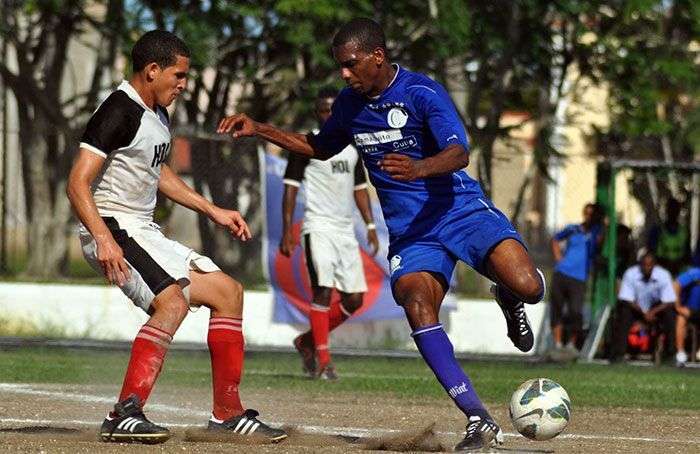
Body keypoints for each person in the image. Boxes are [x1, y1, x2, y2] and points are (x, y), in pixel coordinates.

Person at [217, 18, 545, 451]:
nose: (345, 75)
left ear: (377, 56)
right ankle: (478, 419)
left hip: (461, 211)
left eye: (351, 65)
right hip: (413, 234)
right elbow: (320, 146)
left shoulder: (421, 93)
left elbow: (459, 152)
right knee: (416, 304)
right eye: (340, 67)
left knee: (529, 287)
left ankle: (509, 295)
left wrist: (419, 168)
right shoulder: (350, 107)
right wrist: (261, 128)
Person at [66, 30, 286, 444]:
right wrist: (104, 238)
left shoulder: (156, 113)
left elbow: (158, 173)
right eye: (179, 75)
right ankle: (123, 413)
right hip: (112, 225)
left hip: (141, 229)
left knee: (228, 292)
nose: (183, 85)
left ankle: (228, 415)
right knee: (172, 304)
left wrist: (212, 210)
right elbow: (77, 183)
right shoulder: (118, 110)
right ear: (152, 70)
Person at [281, 87, 380, 379]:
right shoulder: (307, 144)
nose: (329, 115)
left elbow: (359, 188)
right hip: (318, 227)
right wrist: (287, 229)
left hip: (345, 231)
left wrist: (371, 225)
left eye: (333, 110)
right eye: (324, 110)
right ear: (317, 113)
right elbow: (290, 189)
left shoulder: (352, 146)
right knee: (322, 290)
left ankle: (308, 341)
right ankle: (324, 360)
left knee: (354, 300)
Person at [549, 203, 604, 356]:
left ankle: (572, 345)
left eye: (592, 214)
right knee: (557, 308)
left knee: (576, 311)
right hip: (562, 273)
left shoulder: (596, 232)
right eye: (587, 213)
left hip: (579, 278)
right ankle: (558, 344)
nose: (589, 217)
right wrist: (558, 257)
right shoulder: (573, 228)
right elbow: (555, 239)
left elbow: (599, 244)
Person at [610, 251, 676, 362]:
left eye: (649, 265)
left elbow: (669, 301)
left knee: (669, 313)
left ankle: (670, 354)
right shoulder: (630, 274)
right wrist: (643, 313)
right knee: (624, 311)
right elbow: (627, 299)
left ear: (654, 265)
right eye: (644, 265)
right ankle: (618, 353)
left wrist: (652, 312)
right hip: (636, 308)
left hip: (655, 309)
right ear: (639, 265)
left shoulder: (663, 275)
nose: (646, 268)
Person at [648, 197, 690, 276]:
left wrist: (679, 264)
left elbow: (688, 256)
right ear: (666, 211)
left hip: (679, 273)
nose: (673, 212)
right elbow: (651, 255)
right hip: (661, 272)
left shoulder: (684, 231)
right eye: (671, 209)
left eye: (675, 209)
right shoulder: (657, 230)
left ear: (678, 211)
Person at [673, 266, 700, 367]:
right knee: (681, 318)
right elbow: (676, 285)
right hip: (689, 308)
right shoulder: (695, 273)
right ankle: (681, 354)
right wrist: (678, 306)